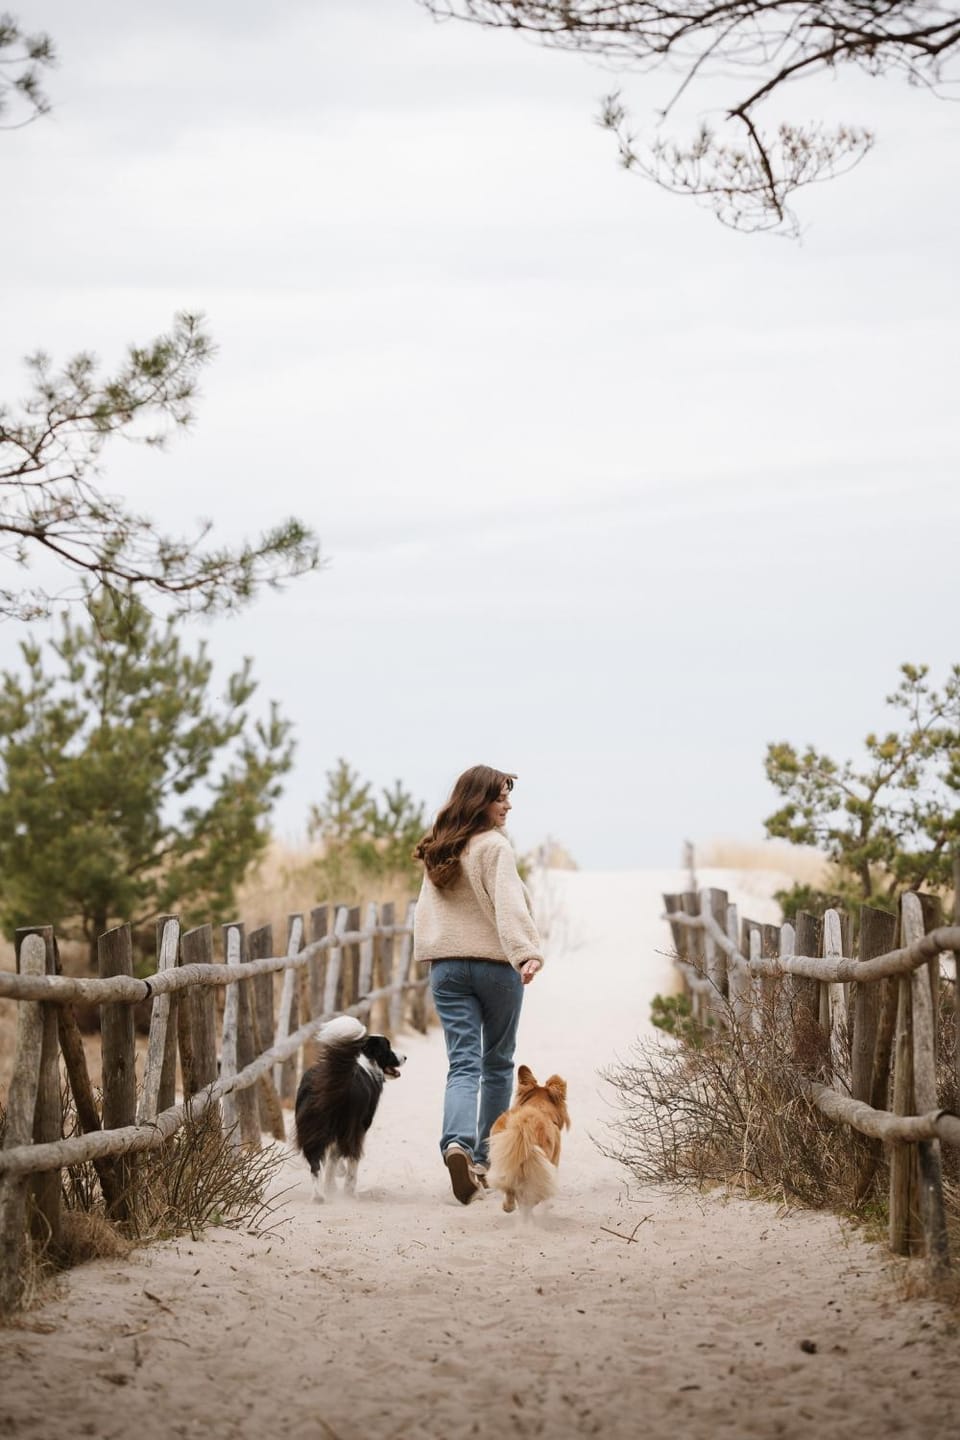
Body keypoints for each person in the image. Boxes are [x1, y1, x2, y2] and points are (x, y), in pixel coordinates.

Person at [413, 765, 544, 1205]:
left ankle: (456, 1144)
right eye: (500, 798)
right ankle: (486, 1160)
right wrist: (526, 952)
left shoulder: (440, 847)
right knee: (498, 1062)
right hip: (495, 967)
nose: (508, 806)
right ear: (480, 801)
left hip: (447, 969)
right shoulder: (494, 846)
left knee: (463, 1064)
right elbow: (509, 904)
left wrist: (431, 951)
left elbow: (425, 911)